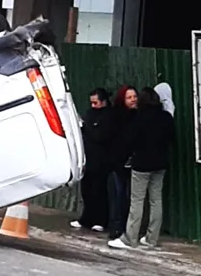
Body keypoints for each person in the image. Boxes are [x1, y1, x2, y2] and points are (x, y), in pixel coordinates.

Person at [108, 87, 175, 250]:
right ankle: (152, 238)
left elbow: (130, 140)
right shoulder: (166, 117)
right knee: (156, 200)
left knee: (137, 201)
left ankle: (130, 238)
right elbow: (171, 137)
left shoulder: (139, 118)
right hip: (161, 163)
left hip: (141, 164)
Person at [71, 88, 113, 232]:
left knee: (99, 191)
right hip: (88, 158)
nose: (93, 106)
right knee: (87, 190)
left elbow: (100, 136)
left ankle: (100, 220)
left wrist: (86, 128)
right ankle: (87, 219)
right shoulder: (90, 114)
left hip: (101, 159)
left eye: (96, 102)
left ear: (103, 101)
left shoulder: (108, 116)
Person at [105, 84, 139, 240]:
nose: (133, 100)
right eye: (129, 97)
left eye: (134, 97)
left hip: (134, 163)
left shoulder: (138, 115)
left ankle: (128, 227)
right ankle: (117, 227)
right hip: (118, 162)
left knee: (130, 197)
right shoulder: (116, 116)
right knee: (119, 196)